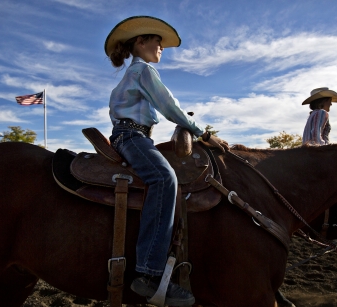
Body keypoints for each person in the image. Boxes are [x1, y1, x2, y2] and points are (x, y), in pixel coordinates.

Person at [104, 16, 230, 306]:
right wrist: (204, 134)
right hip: (132, 136)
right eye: (157, 43)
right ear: (140, 42)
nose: (161, 49)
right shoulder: (143, 70)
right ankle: (149, 275)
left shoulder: (135, 73)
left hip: (134, 135)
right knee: (164, 178)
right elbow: (169, 105)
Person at [301, 87, 337, 232]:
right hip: (318, 154)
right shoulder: (322, 113)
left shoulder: (313, 114)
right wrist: (331, 150)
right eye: (330, 101)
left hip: (309, 154)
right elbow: (315, 137)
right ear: (324, 101)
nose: (331, 104)